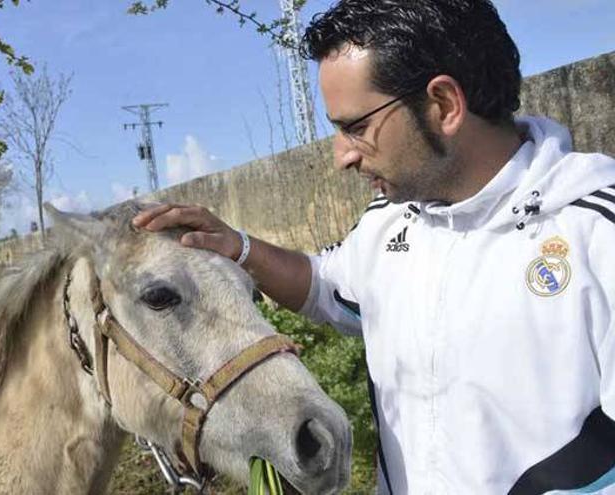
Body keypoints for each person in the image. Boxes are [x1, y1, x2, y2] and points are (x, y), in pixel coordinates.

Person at [132, 0, 615, 493]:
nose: (341, 156)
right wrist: (238, 247)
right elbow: (327, 287)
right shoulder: (390, 223)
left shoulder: (596, 235)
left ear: (444, 104)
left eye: (355, 127)